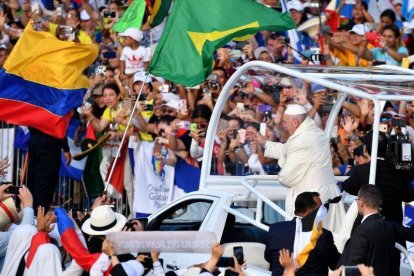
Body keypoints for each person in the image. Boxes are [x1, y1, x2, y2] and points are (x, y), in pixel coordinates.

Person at [254, 104, 345, 232]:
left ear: (295, 122)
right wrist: (264, 143)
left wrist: (279, 174)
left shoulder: (301, 140)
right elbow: (287, 150)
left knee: (309, 242)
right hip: (325, 194)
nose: (284, 126)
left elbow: (287, 177)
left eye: (285, 122)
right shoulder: (316, 133)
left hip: (311, 201)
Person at [264, 192, 340, 276]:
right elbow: (336, 264)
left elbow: (268, 257)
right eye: (321, 208)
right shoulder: (323, 235)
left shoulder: (275, 229)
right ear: (309, 211)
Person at [338, 185, 396, 276]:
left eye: (357, 200)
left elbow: (353, 266)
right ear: (379, 202)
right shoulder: (389, 227)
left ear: (361, 202)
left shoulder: (363, 230)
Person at [27, 127, 71, 212]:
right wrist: (65, 148)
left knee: (34, 182)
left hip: (34, 141)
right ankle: (38, 216)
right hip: (50, 143)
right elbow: (58, 123)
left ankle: (32, 213)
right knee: (45, 185)